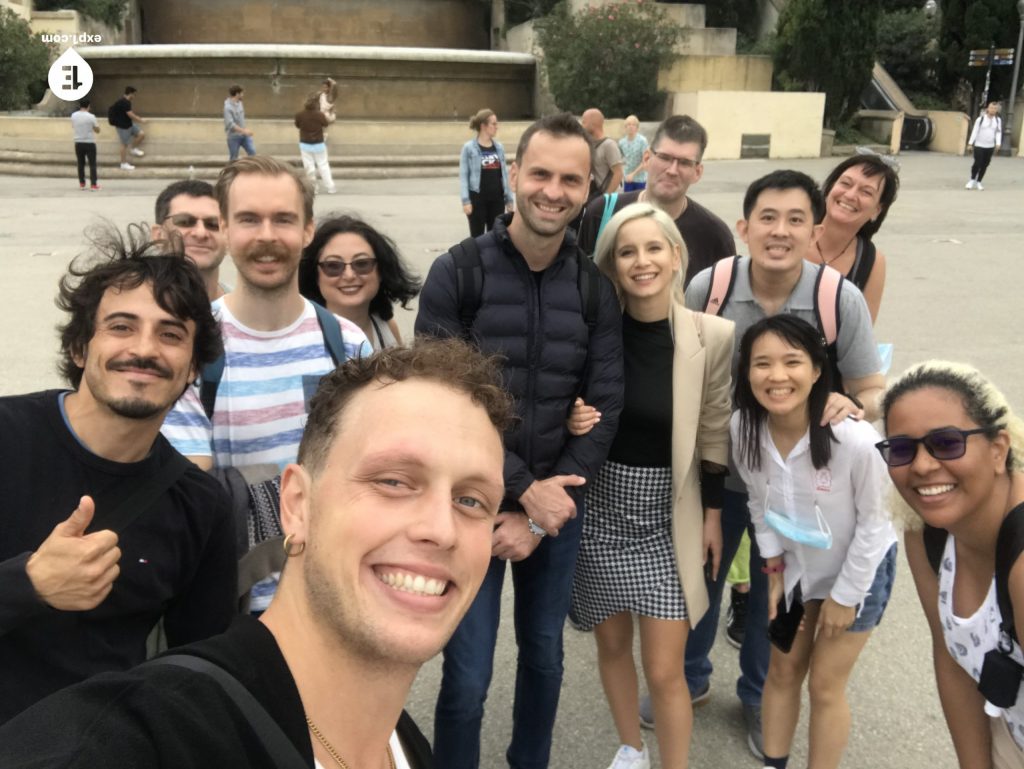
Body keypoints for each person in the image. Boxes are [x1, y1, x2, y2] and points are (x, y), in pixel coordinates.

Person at [0, 338, 515, 769]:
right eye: (394, 481)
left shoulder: (403, 746)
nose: (441, 529)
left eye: (471, 500)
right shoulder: (137, 740)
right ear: (297, 506)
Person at [416, 112, 625, 769]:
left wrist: (543, 507)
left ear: (589, 187)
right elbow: (439, 400)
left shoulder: (595, 288)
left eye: (571, 178)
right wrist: (519, 490)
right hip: (469, 501)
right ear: (511, 174)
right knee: (469, 673)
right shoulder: (459, 272)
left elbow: (608, 401)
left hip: (558, 503)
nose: (553, 190)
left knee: (544, 653)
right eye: (540, 173)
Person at [665, 169, 884, 759]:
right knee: (703, 574)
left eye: (795, 220)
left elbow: (871, 386)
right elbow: (687, 380)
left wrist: (852, 404)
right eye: (767, 218)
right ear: (744, 226)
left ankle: (762, 692)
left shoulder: (839, 298)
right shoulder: (707, 287)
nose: (780, 231)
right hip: (719, 468)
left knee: (778, 585)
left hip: (795, 481)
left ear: (814, 229)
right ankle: (688, 678)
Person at [0, 227, 236, 725]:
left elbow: (198, 666)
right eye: (122, 327)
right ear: (80, 349)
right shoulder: (8, 436)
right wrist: (29, 584)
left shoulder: (200, 506)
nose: (145, 349)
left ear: (192, 367)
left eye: (171, 334)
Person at [160, 156, 370, 612]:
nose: (267, 236)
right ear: (225, 228)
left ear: (308, 230)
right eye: (249, 219)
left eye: (284, 219)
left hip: (332, 600)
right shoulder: (190, 348)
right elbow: (185, 491)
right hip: (231, 609)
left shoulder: (349, 346)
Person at [568, 203, 733, 769]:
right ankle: (631, 751)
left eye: (653, 248)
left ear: (676, 255)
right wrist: (573, 421)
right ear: (611, 265)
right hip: (601, 513)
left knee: (666, 670)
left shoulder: (711, 336)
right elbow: (568, 407)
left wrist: (713, 515)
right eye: (627, 251)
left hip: (670, 517)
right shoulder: (594, 336)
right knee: (612, 646)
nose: (642, 261)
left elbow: (714, 433)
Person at [732, 315, 897, 769]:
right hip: (795, 569)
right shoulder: (743, 427)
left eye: (792, 362)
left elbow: (880, 524)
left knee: (825, 684)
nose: (777, 376)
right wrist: (772, 572)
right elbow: (757, 502)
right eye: (762, 363)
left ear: (818, 370)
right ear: (746, 372)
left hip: (856, 572)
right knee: (782, 670)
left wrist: (845, 598)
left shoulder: (855, 440)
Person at [883, 361, 1024, 768]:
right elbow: (951, 658)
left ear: (999, 449)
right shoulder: (927, 533)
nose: (923, 466)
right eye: (902, 449)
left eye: (947, 443)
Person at [577, 114, 735, 287]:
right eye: (665, 158)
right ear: (646, 159)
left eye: (684, 163)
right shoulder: (602, 213)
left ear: (697, 172)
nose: (672, 170)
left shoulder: (714, 237)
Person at [298, 214, 420, 350]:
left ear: (381, 271)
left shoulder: (386, 327)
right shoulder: (302, 339)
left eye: (362, 264)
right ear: (314, 275)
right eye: (333, 265)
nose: (349, 275)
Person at [808, 153, 900, 323]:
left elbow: (861, 334)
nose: (850, 195)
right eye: (845, 183)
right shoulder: (793, 234)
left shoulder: (871, 261)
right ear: (829, 189)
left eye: (866, 192)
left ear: (877, 210)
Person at [151, 179, 229, 301]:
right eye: (185, 222)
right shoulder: (126, 304)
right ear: (158, 235)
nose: (201, 233)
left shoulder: (247, 313)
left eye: (214, 224)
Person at [459, 108, 514, 237]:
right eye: (494, 124)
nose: (497, 127)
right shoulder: (469, 148)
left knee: (495, 236)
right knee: (477, 237)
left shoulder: (499, 147)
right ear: (483, 126)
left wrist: (509, 200)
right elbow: (463, 175)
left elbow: (504, 175)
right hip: (477, 199)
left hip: (497, 199)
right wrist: (466, 201)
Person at [294, 93, 336, 195]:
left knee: (309, 167)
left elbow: (297, 125)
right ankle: (330, 187)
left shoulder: (299, 115)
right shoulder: (319, 115)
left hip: (305, 143)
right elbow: (326, 124)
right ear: (316, 104)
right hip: (318, 143)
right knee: (323, 165)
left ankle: (313, 188)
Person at [582, 107, 624, 196]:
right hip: (597, 194)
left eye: (584, 122)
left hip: (611, 198)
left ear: (593, 124)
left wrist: (606, 197)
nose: (582, 126)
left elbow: (618, 173)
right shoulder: (590, 144)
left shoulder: (609, 145)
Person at [966, 101, 1003, 191]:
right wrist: (970, 143)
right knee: (977, 163)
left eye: (995, 108)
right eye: (991, 108)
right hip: (979, 145)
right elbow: (975, 131)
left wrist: (998, 143)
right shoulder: (981, 119)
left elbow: (998, 132)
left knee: (985, 165)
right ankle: (972, 180)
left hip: (990, 146)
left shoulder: (998, 120)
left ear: (997, 110)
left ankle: (979, 181)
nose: (993, 110)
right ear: (988, 109)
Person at [108, 85, 146, 171]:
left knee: (141, 134)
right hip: (122, 127)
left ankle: (133, 149)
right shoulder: (124, 102)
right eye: (134, 94)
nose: (134, 96)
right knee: (124, 145)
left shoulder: (126, 102)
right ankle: (123, 163)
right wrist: (141, 120)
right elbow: (131, 115)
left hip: (129, 124)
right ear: (131, 94)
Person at [71, 98, 100, 191]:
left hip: (78, 142)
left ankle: (82, 183)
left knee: (80, 163)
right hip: (89, 142)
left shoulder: (74, 115)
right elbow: (97, 130)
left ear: (80, 106)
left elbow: (73, 126)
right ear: (88, 106)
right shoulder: (91, 116)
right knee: (92, 164)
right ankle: (93, 184)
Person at [224, 85, 256, 161]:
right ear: (237, 94)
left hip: (244, 136)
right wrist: (244, 131)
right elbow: (230, 124)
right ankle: (232, 172)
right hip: (233, 137)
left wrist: (245, 130)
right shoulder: (227, 107)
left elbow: (240, 120)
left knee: (252, 152)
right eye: (242, 93)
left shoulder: (240, 103)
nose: (243, 95)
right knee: (234, 158)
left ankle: (249, 170)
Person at [619, 115, 648, 193]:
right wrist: (622, 174)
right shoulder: (622, 142)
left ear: (637, 127)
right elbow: (619, 160)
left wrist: (633, 174)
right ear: (625, 127)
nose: (630, 127)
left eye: (633, 125)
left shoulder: (642, 141)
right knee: (628, 201)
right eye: (628, 125)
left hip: (640, 178)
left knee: (639, 201)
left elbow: (645, 160)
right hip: (627, 177)